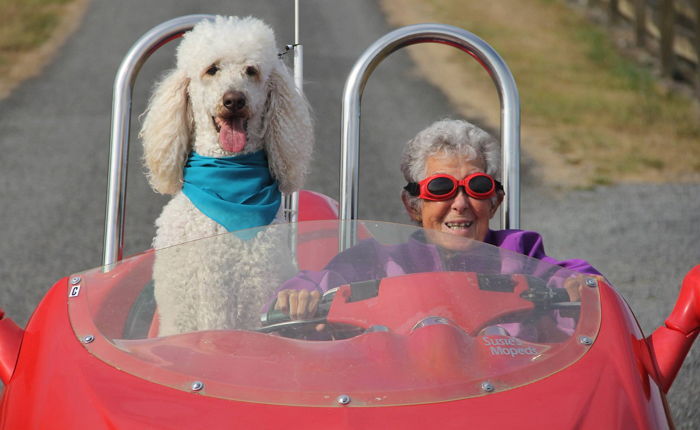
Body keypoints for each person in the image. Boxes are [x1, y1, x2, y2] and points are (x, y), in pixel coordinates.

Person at [274, 119, 602, 338]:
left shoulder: (519, 254)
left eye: (477, 186)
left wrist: (576, 284)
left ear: (495, 202)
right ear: (413, 205)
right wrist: (300, 293)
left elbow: (578, 279)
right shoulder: (377, 262)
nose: (460, 203)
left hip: (505, 400)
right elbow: (319, 283)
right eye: (442, 187)